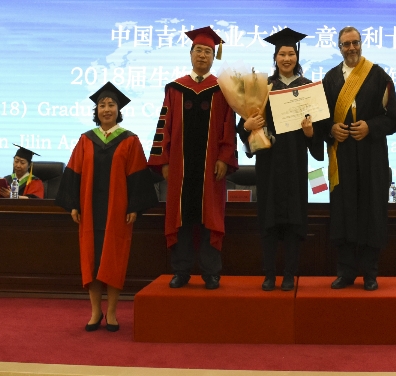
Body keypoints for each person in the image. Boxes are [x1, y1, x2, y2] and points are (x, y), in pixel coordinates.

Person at [55, 82, 158, 332]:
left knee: (113, 259)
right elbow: (74, 173)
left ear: (118, 110)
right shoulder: (85, 140)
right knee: (91, 259)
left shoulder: (130, 140)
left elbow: (137, 175)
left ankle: (111, 312)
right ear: (97, 111)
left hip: (118, 211)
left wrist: (134, 207)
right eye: (102, 105)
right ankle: (95, 312)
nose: (107, 109)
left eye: (111, 105)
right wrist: (74, 205)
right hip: (89, 211)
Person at [147, 26, 238, 290]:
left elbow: (228, 127)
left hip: (211, 167)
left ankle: (211, 273)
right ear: (190, 54)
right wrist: (164, 160)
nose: (202, 55)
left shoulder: (222, 90)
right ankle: (181, 270)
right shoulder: (175, 88)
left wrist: (224, 157)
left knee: (210, 216)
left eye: (208, 51)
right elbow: (164, 126)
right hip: (180, 166)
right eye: (198, 50)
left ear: (213, 56)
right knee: (182, 217)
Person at [237, 28, 325, 291]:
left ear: (297, 57)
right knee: (269, 219)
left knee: (293, 221)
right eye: (282, 54)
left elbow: (319, 130)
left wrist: (310, 133)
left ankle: (289, 274)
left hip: (296, 163)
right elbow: (246, 123)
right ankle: (269, 274)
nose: (287, 58)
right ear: (275, 57)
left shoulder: (308, 88)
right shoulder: (263, 88)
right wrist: (246, 126)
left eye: (291, 54)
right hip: (269, 163)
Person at [322, 26, 396, 291]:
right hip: (342, 156)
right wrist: (330, 130)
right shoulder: (329, 79)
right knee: (343, 212)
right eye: (346, 44)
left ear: (361, 44)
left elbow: (395, 118)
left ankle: (370, 274)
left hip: (372, 156)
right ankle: (346, 272)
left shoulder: (378, 76)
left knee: (372, 212)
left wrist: (371, 126)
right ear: (339, 48)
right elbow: (320, 119)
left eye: (355, 43)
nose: (351, 48)